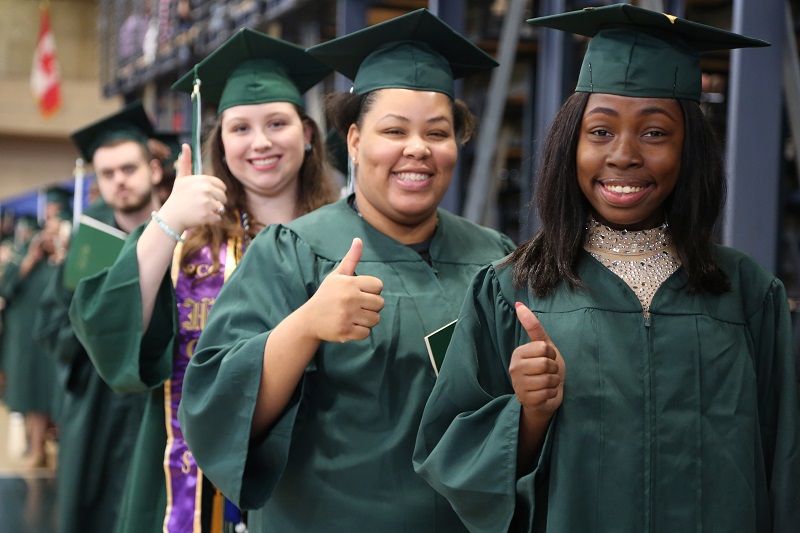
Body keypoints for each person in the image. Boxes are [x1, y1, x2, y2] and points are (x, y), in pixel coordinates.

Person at [413, 4, 800, 532]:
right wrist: (527, 416)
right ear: (570, 145)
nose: (623, 154)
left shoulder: (748, 293)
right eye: (600, 132)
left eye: (655, 133)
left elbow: (786, 465)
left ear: (690, 150)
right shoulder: (511, 290)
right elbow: (449, 455)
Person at [177, 9, 516, 532]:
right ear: (354, 141)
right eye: (394, 130)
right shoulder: (293, 252)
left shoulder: (494, 257)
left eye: (438, 132)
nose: (418, 149)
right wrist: (305, 326)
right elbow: (219, 409)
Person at [68, 29, 339, 533]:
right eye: (240, 128)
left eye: (276, 123)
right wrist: (167, 221)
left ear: (306, 133)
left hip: (314, 471)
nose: (260, 142)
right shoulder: (186, 241)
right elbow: (106, 327)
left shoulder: (344, 236)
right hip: (189, 484)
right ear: (220, 141)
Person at [34, 102, 162, 533]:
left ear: (154, 170)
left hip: (162, 404)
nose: (119, 181)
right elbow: (51, 330)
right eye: (107, 174)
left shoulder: (185, 236)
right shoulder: (88, 245)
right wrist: (96, 326)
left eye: (129, 168)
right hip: (96, 407)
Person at [0, 215, 62, 469]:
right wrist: (30, 260)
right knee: (31, 396)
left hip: (52, 342)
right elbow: (6, 290)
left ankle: (48, 448)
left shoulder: (61, 261)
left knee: (50, 396)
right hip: (24, 342)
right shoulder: (24, 260)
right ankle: (36, 448)